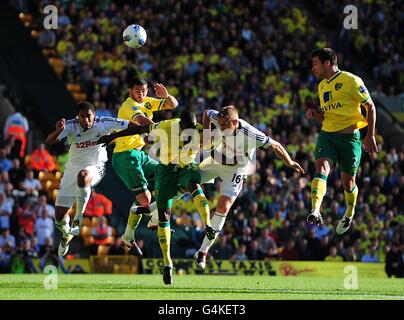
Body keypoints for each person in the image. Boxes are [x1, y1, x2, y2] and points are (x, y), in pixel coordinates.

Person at [97, 110, 215, 285]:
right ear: (180, 124)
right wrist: (112, 138)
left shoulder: (198, 130)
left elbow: (212, 138)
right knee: (163, 216)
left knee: (194, 185)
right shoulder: (167, 126)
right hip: (166, 171)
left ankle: (208, 225)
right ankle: (168, 264)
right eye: (186, 129)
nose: (189, 133)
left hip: (186, 168)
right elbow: (140, 129)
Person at [193, 106, 304, 269]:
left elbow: (276, 146)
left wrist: (289, 162)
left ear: (235, 122)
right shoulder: (218, 117)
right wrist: (208, 133)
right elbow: (207, 113)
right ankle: (155, 212)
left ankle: (203, 251)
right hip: (217, 159)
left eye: (225, 125)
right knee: (189, 181)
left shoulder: (251, 134)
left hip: (236, 168)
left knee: (223, 206)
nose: (222, 128)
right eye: (221, 124)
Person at [307, 48, 378, 234]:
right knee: (321, 168)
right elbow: (328, 116)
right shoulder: (322, 86)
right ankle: (315, 210)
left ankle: (349, 211)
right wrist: (316, 115)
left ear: (327, 63)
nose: (312, 67)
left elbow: (370, 106)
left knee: (348, 183)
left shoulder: (351, 81)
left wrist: (370, 135)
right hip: (327, 136)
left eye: (315, 63)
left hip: (350, 139)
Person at [45, 101, 130, 256]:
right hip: (71, 169)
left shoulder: (104, 122)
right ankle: (66, 236)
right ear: (78, 117)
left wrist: (152, 129)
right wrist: (58, 131)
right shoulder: (70, 125)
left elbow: (131, 125)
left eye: (88, 116)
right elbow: (48, 141)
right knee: (59, 217)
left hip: (95, 166)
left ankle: (78, 218)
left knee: (83, 176)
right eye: (82, 117)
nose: (85, 120)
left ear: (94, 115)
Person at [111, 77, 178, 256]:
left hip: (139, 154)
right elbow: (142, 121)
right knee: (145, 200)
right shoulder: (128, 106)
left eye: (144, 91)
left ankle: (131, 234)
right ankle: (148, 222)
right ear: (130, 91)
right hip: (125, 155)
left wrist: (167, 96)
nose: (141, 94)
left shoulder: (148, 101)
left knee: (168, 175)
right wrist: (162, 133)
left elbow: (174, 105)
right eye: (137, 91)